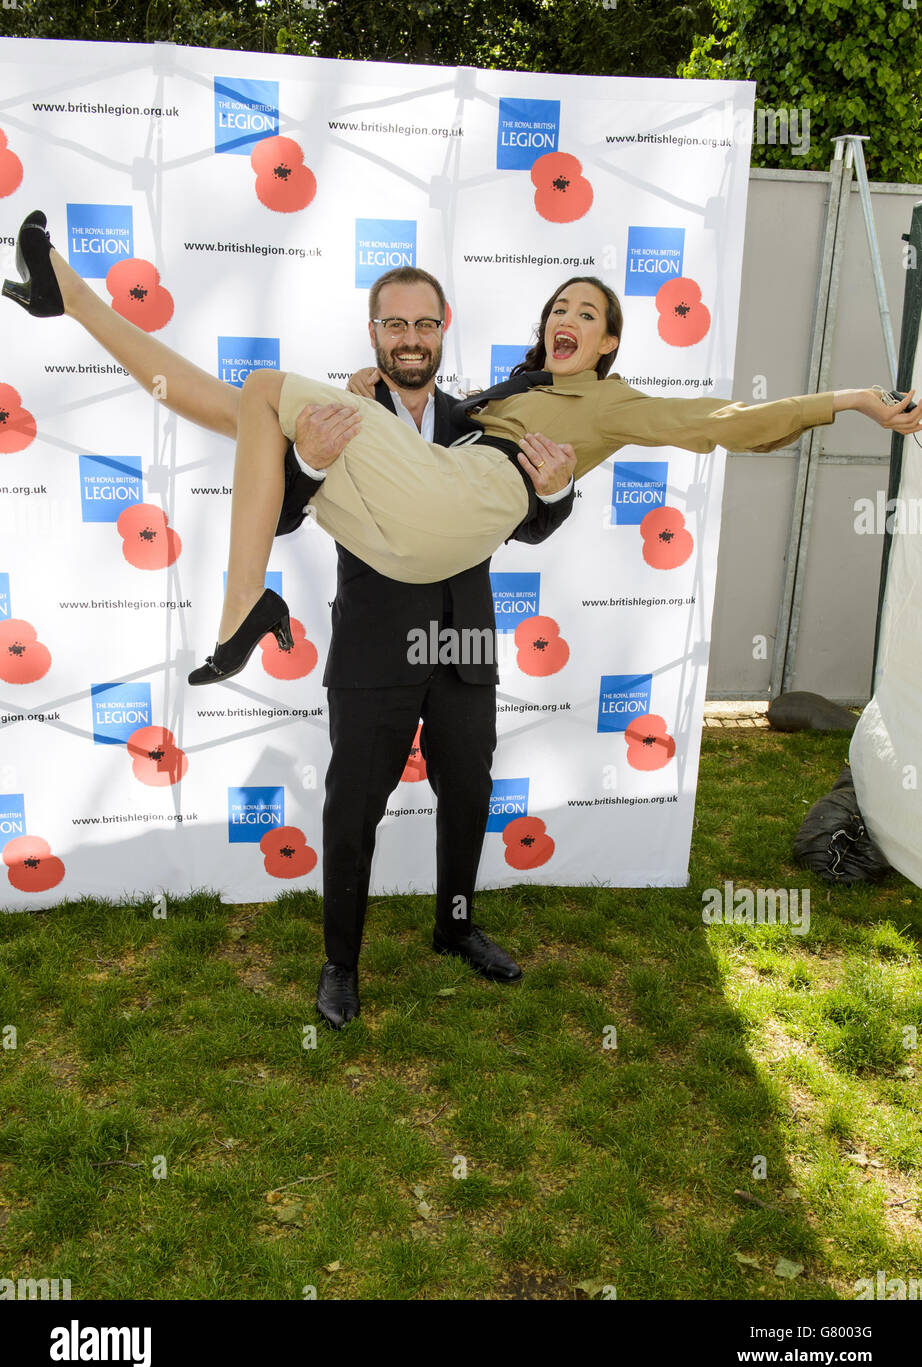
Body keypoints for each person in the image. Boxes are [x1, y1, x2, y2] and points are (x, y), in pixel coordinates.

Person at [2, 212, 578, 1027]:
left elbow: (531, 521)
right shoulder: (341, 411)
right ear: (373, 332)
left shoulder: (482, 422)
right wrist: (308, 459)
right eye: (395, 323)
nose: (410, 337)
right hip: (375, 649)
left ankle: (456, 929)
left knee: (470, 797)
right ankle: (341, 963)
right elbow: (271, 515)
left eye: (424, 323)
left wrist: (556, 489)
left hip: (465, 643)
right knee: (352, 810)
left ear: (443, 331)